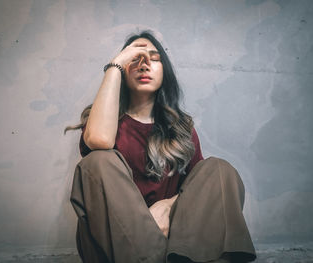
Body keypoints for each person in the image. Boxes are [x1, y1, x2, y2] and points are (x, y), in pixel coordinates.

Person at [65, 30, 256, 263]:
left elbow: (200, 189)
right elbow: (100, 142)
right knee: (97, 161)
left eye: (154, 58)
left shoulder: (181, 128)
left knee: (218, 169)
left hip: (173, 242)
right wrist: (114, 65)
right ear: (122, 69)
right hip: (118, 246)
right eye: (135, 58)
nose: (144, 65)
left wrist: (167, 205)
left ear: (165, 72)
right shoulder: (102, 122)